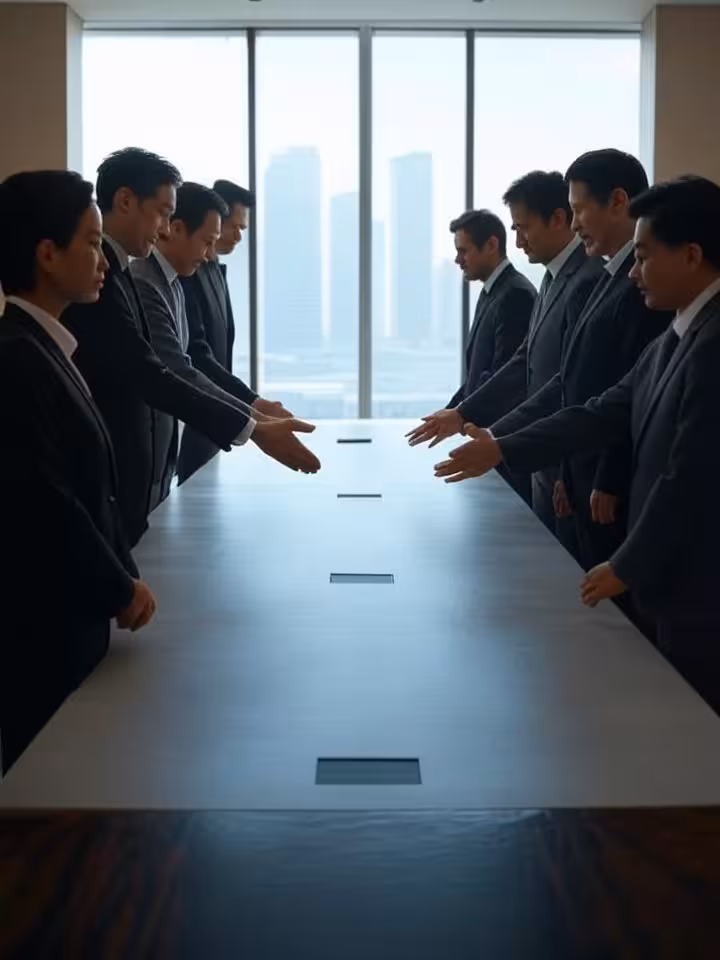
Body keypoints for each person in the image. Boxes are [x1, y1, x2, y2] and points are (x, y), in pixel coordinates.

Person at [434, 176, 720, 712]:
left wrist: (627, 564)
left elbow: (690, 478)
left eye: (644, 257)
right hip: (675, 586)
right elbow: (600, 409)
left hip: (699, 590)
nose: (632, 272)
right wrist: (502, 446)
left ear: (691, 255)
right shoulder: (675, 336)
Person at [62, 149, 320, 546]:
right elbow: (155, 371)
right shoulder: (123, 281)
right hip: (116, 478)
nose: (165, 227)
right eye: (163, 212)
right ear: (126, 201)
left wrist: (252, 413)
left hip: (142, 474)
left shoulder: (132, 276)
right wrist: (253, 427)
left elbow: (188, 358)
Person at [0, 170, 157, 772]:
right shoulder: (15, 359)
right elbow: (47, 500)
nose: (105, 262)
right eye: (92, 244)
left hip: (72, 616)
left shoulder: (48, 349)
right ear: (46, 254)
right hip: (43, 631)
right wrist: (119, 585)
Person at [461, 151, 671, 575]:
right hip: (574, 471)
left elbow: (618, 397)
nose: (575, 225)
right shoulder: (605, 277)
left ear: (617, 201)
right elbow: (568, 380)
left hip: (607, 486)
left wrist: (604, 477)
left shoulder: (621, 284)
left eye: (578, 210)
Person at [408, 171, 604, 537]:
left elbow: (577, 385)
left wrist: (500, 437)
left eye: (523, 227)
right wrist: (461, 413)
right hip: (537, 456)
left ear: (558, 220)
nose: (519, 239)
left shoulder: (585, 280)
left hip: (564, 461)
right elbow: (524, 362)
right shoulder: (551, 280)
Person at [131, 182, 319, 508]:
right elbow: (183, 368)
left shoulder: (174, 282)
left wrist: (256, 415)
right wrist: (255, 422)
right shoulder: (147, 283)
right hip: (144, 445)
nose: (207, 255)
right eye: (207, 242)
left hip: (163, 446)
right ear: (175, 228)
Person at [410, 209, 536, 499]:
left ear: (491, 245)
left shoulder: (515, 294)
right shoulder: (493, 291)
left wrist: (461, 413)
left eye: (463, 250)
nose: (457, 260)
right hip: (488, 438)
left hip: (501, 441)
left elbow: (506, 377)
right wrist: (451, 412)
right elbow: (479, 374)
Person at [177, 180, 291, 483]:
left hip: (219, 406)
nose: (239, 237)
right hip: (203, 409)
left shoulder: (213, 270)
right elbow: (197, 356)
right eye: (235, 228)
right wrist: (252, 404)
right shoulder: (188, 274)